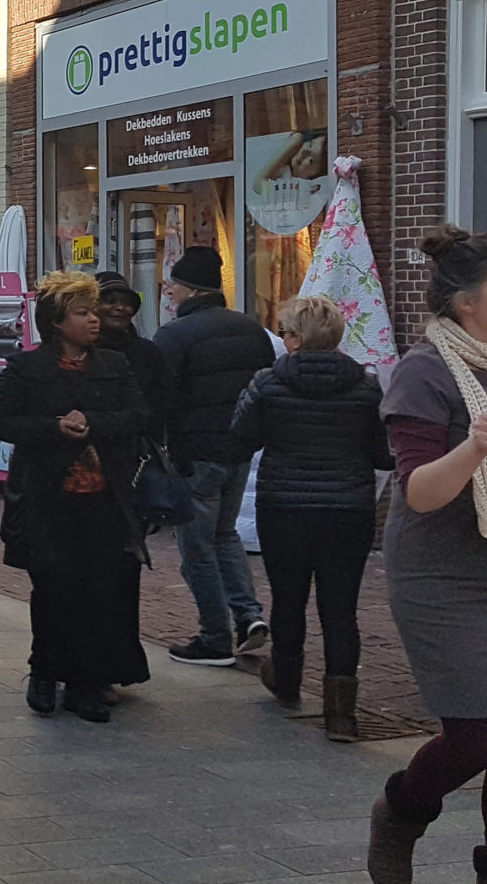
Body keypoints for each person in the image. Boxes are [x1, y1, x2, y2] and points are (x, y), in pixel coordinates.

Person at [366, 227, 487, 884]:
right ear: (462, 301)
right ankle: (401, 810)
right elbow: (419, 490)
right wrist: (475, 448)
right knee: (479, 736)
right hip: (449, 582)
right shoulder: (425, 371)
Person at [0, 272, 150, 723]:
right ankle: (44, 673)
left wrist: (93, 423)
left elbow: (139, 415)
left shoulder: (114, 365)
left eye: (93, 311)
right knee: (53, 588)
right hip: (47, 497)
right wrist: (52, 428)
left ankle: (86, 683)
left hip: (104, 498)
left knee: (99, 591)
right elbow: (1, 422)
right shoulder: (26, 367)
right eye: (83, 313)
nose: (95, 320)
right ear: (58, 322)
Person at [230, 294, 390, 741]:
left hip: (284, 505)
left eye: (284, 331)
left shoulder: (267, 383)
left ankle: (287, 682)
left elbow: (241, 438)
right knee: (340, 610)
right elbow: (382, 454)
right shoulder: (366, 386)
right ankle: (341, 714)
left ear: (297, 340)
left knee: (288, 597)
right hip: (348, 509)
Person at [151, 245, 272, 667]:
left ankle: (214, 636)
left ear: (187, 288)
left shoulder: (172, 336)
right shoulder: (252, 330)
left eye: (173, 285)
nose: (169, 293)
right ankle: (249, 615)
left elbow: (160, 398)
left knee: (197, 547)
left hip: (194, 455)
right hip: (239, 450)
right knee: (225, 535)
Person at [93, 271, 167, 436]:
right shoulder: (77, 351)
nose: (120, 308)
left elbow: (159, 407)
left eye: (127, 303)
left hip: (137, 448)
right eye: (109, 301)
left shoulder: (148, 353)